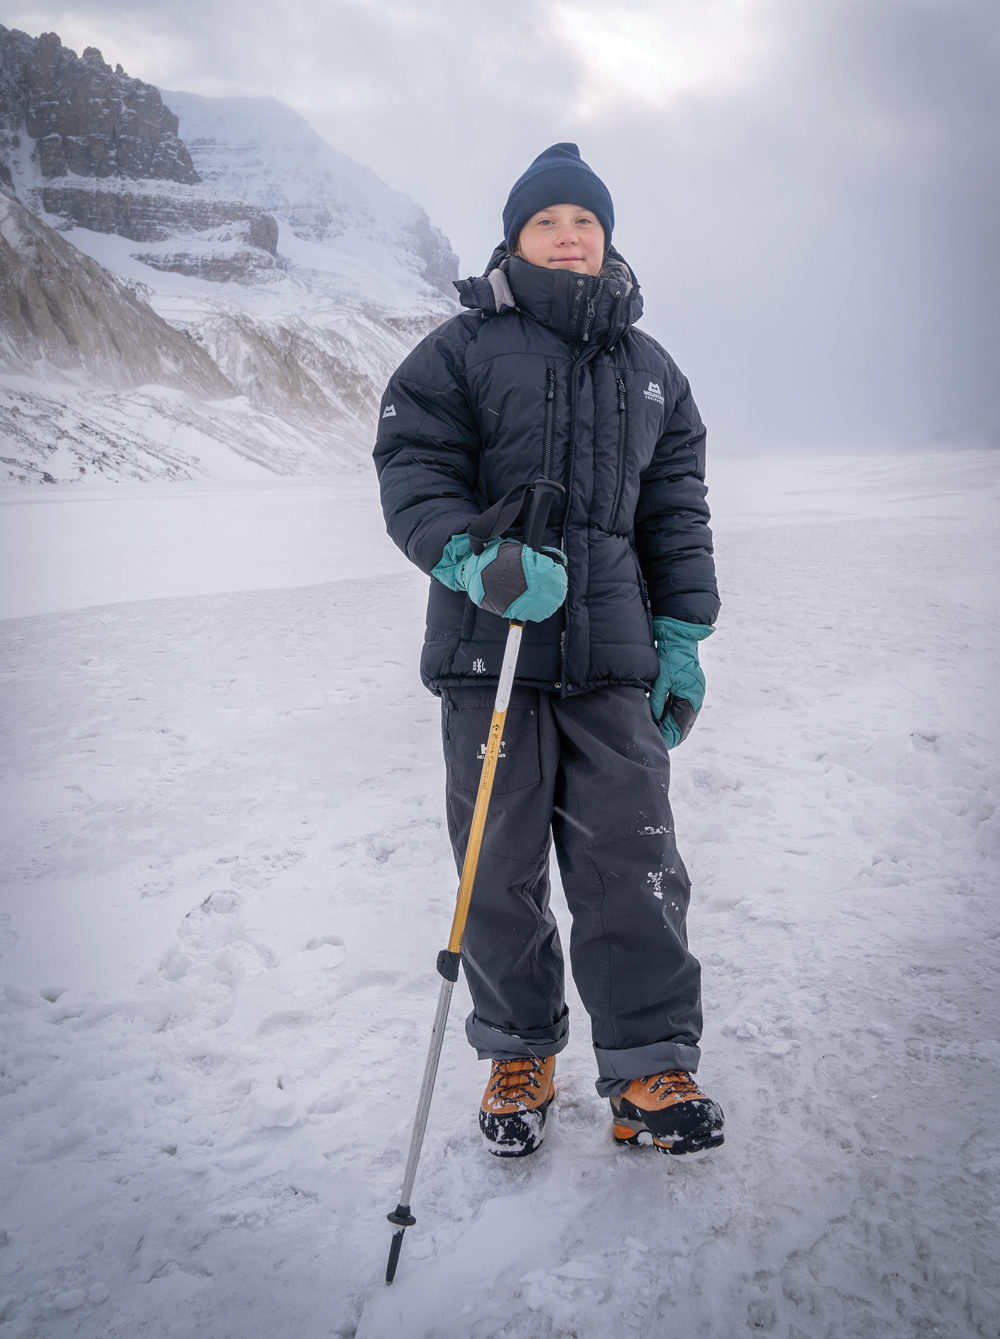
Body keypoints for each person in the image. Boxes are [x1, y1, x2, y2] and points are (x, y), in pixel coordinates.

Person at [373, 143, 723, 1160]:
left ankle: (649, 1058)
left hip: (611, 658)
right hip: (492, 654)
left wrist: (681, 634)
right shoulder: (461, 348)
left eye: (585, 221)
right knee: (496, 866)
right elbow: (413, 468)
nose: (569, 236)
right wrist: (473, 558)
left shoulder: (655, 373)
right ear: (515, 238)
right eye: (546, 223)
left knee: (635, 862)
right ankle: (517, 1047)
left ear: (605, 238)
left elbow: (675, 513)